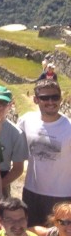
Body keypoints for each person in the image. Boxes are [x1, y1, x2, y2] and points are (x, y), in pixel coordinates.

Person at [18, 78, 71, 226]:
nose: (50, 101)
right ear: (35, 99)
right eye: (45, 98)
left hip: (62, 195)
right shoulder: (26, 121)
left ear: (60, 99)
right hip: (31, 192)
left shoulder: (69, 128)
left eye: (55, 97)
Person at [0, 85, 27, 196]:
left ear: (10, 105)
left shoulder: (16, 133)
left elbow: (18, 169)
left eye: (3, 104)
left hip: (2, 178)